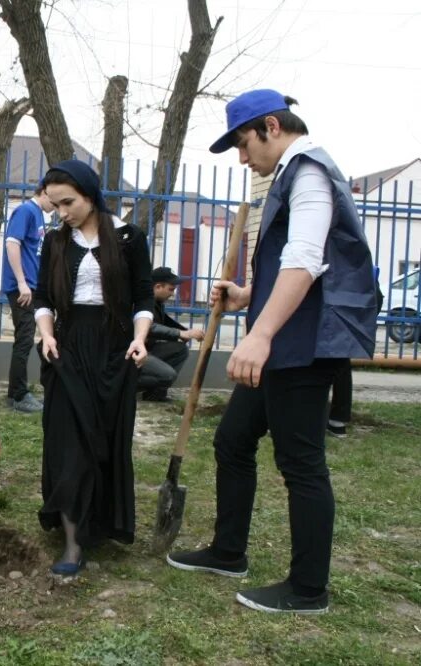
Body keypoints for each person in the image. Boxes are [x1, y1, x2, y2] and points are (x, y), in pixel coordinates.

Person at [167, 90, 378, 614]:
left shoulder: (308, 170)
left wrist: (259, 336)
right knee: (234, 440)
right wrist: (245, 298)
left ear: (270, 126)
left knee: (301, 463)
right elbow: (292, 262)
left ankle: (308, 589)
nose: (242, 158)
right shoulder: (287, 176)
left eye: (243, 144)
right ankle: (228, 551)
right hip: (285, 341)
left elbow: (306, 261)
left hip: (302, 348)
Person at [32, 159, 154, 576]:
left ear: (89, 194)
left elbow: (143, 298)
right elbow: (44, 296)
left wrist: (140, 339)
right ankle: (71, 540)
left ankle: (98, 522)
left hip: (114, 348)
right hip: (66, 350)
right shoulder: (55, 241)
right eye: (55, 205)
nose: (61, 212)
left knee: (103, 439)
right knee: (69, 442)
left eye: (68, 203)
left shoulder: (129, 238)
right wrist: (47, 335)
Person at [2, 183, 55, 413]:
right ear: (44, 192)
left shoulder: (39, 214)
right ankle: (19, 395)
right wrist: (22, 283)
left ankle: (16, 393)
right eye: (55, 200)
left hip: (30, 287)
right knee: (24, 340)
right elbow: (12, 243)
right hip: (21, 288)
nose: (56, 206)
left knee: (25, 339)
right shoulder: (26, 211)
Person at [327, 267, 383, 437]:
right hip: (361, 292)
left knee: (315, 362)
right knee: (339, 359)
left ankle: (323, 421)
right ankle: (337, 421)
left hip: (336, 293)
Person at [138, 266, 205, 402]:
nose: (172, 293)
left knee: (180, 350)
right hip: (132, 353)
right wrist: (180, 333)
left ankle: (155, 395)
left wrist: (187, 332)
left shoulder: (157, 303)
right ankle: (123, 386)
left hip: (148, 350)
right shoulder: (141, 302)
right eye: (171, 289)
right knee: (168, 375)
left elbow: (166, 322)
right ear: (158, 287)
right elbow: (148, 327)